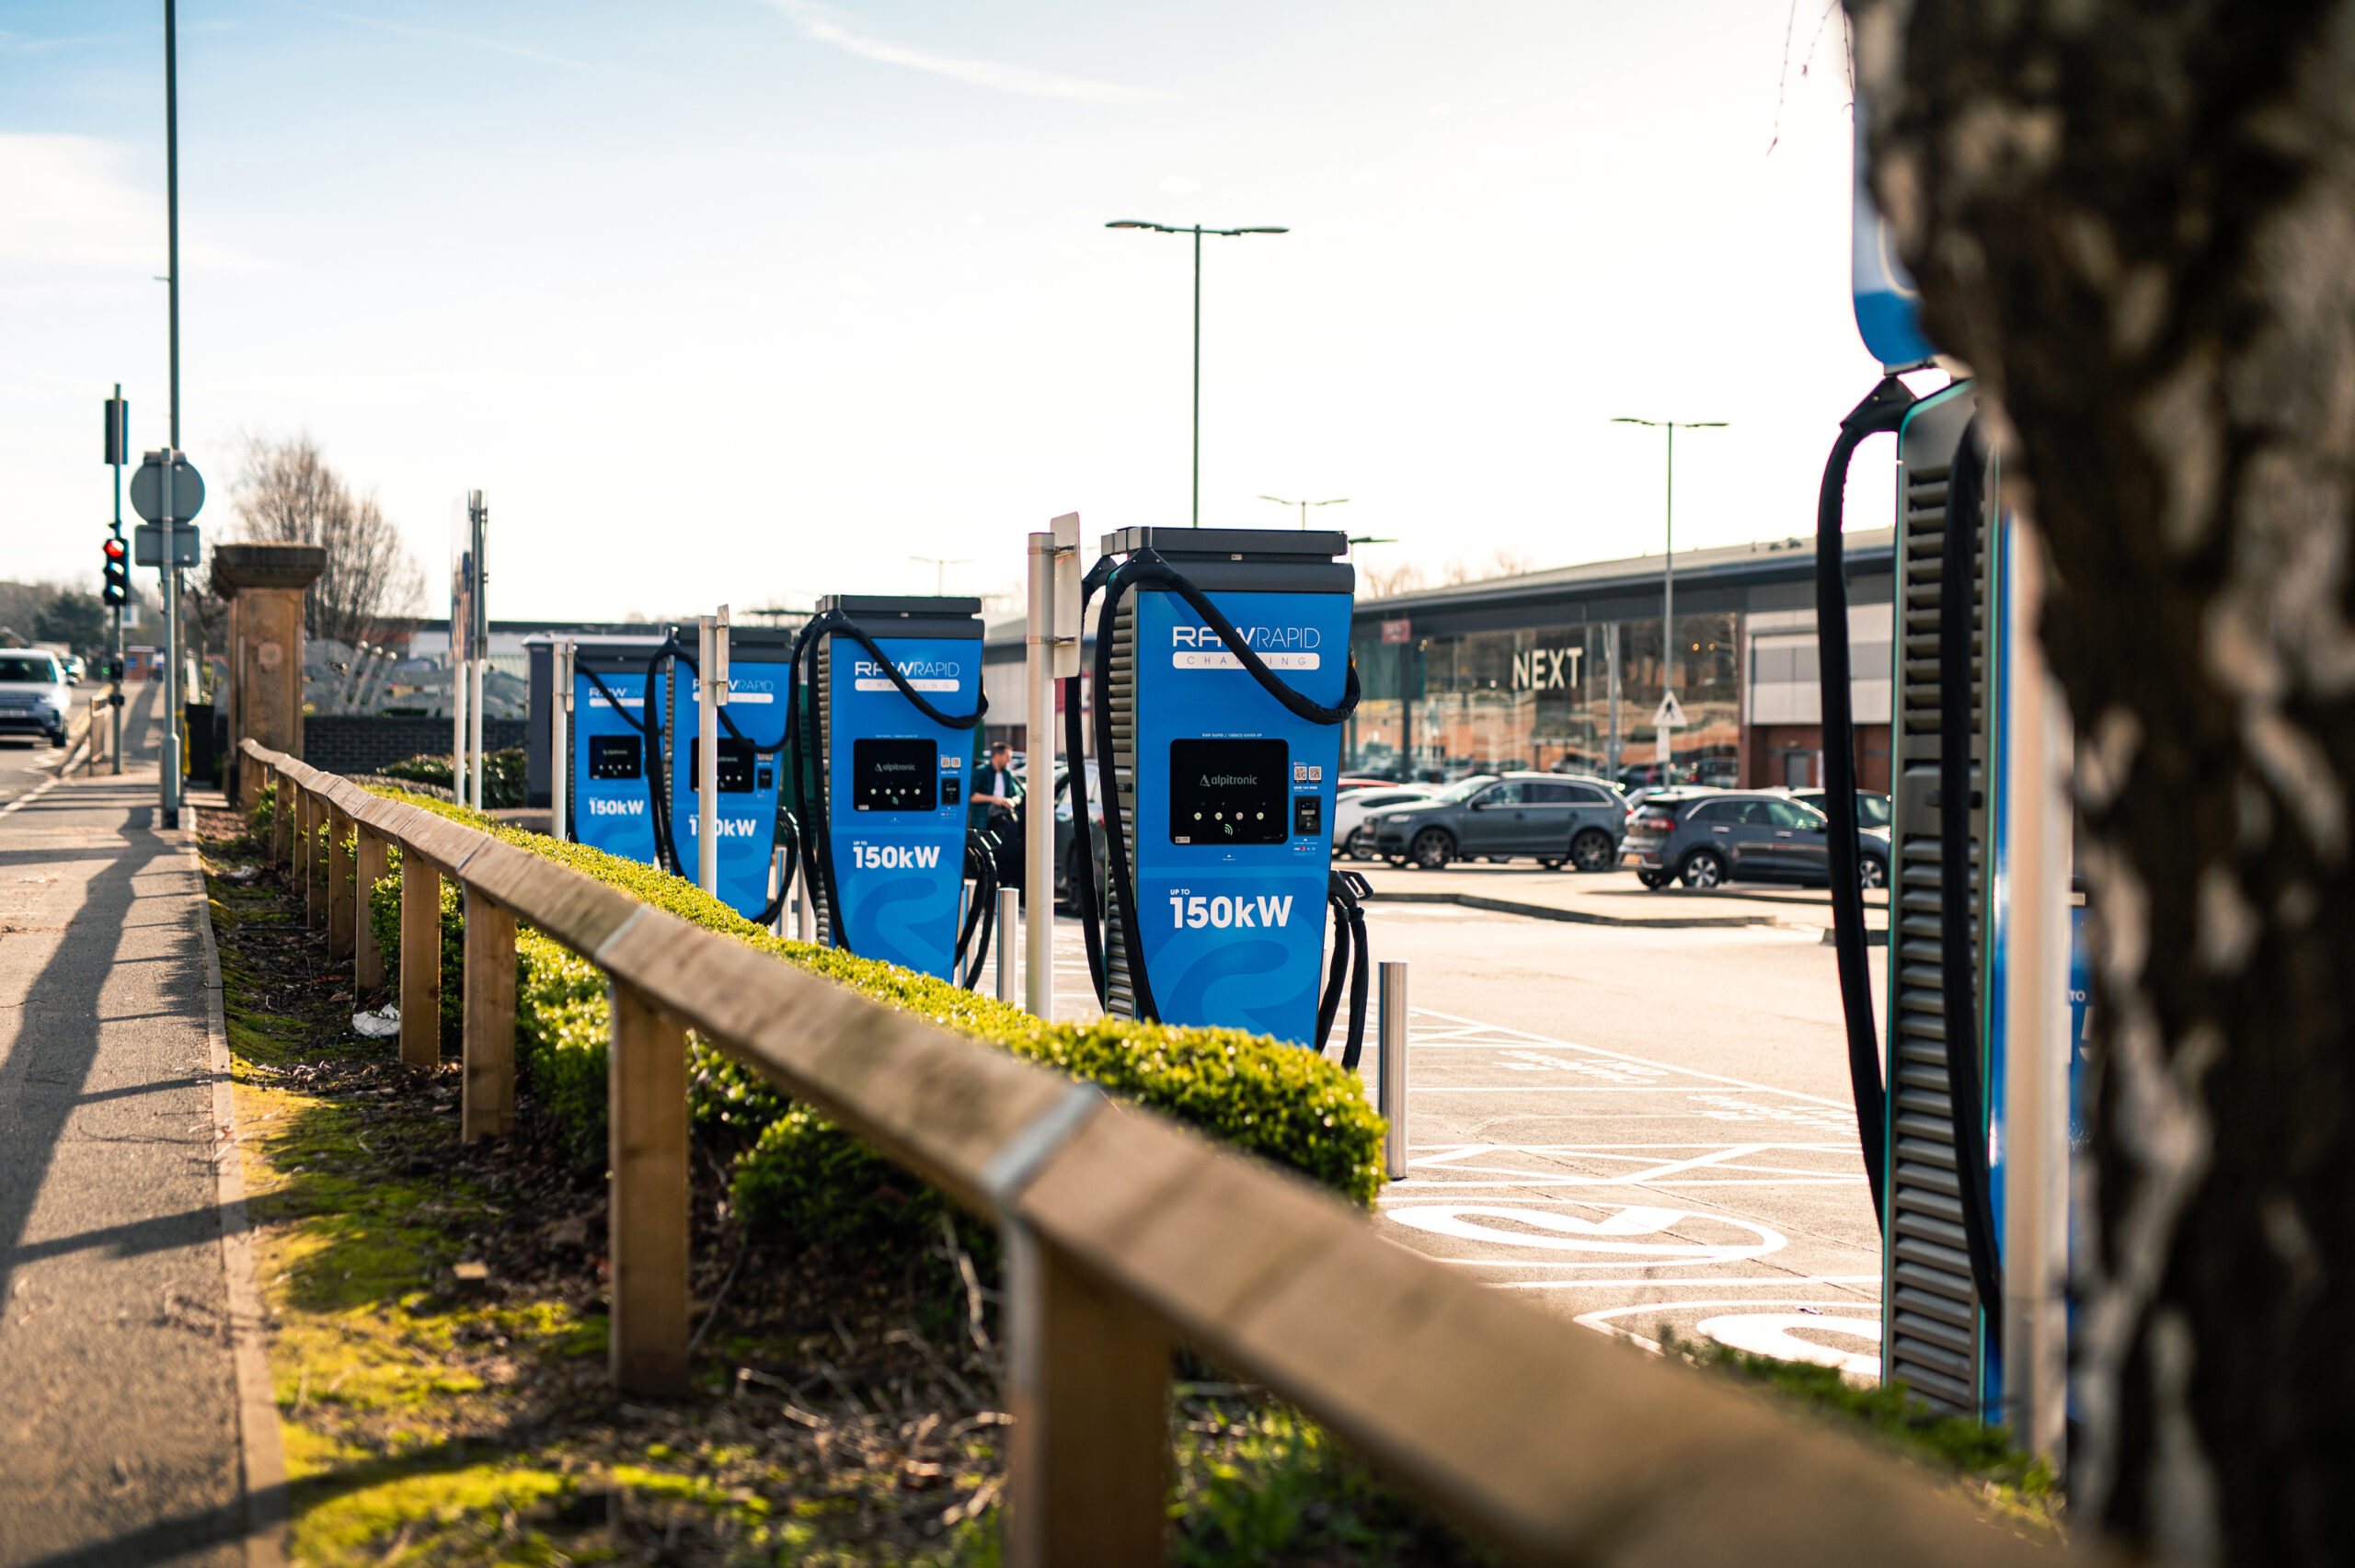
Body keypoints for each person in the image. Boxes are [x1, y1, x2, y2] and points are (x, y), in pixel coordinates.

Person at [973, 740, 1023, 887]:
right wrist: (994, 800)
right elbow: (971, 796)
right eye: (1007, 756)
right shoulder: (981, 772)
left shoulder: (1008, 774)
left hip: (1003, 819)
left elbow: (1018, 794)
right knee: (985, 856)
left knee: (1008, 851)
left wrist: (1012, 801)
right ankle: (986, 887)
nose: (1009, 760)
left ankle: (1003, 884)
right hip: (985, 819)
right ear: (997, 756)